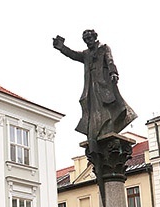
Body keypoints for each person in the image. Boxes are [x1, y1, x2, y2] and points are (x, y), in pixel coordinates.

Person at [52, 29, 136, 158]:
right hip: (91, 84)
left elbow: (110, 60)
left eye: (89, 39)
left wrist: (113, 72)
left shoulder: (104, 48)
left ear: (95, 37)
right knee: (93, 109)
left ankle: (108, 125)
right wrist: (62, 47)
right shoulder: (86, 54)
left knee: (109, 103)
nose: (88, 42)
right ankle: (97, 130)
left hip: (103, 82)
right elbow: (73, 54)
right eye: (85, 40)